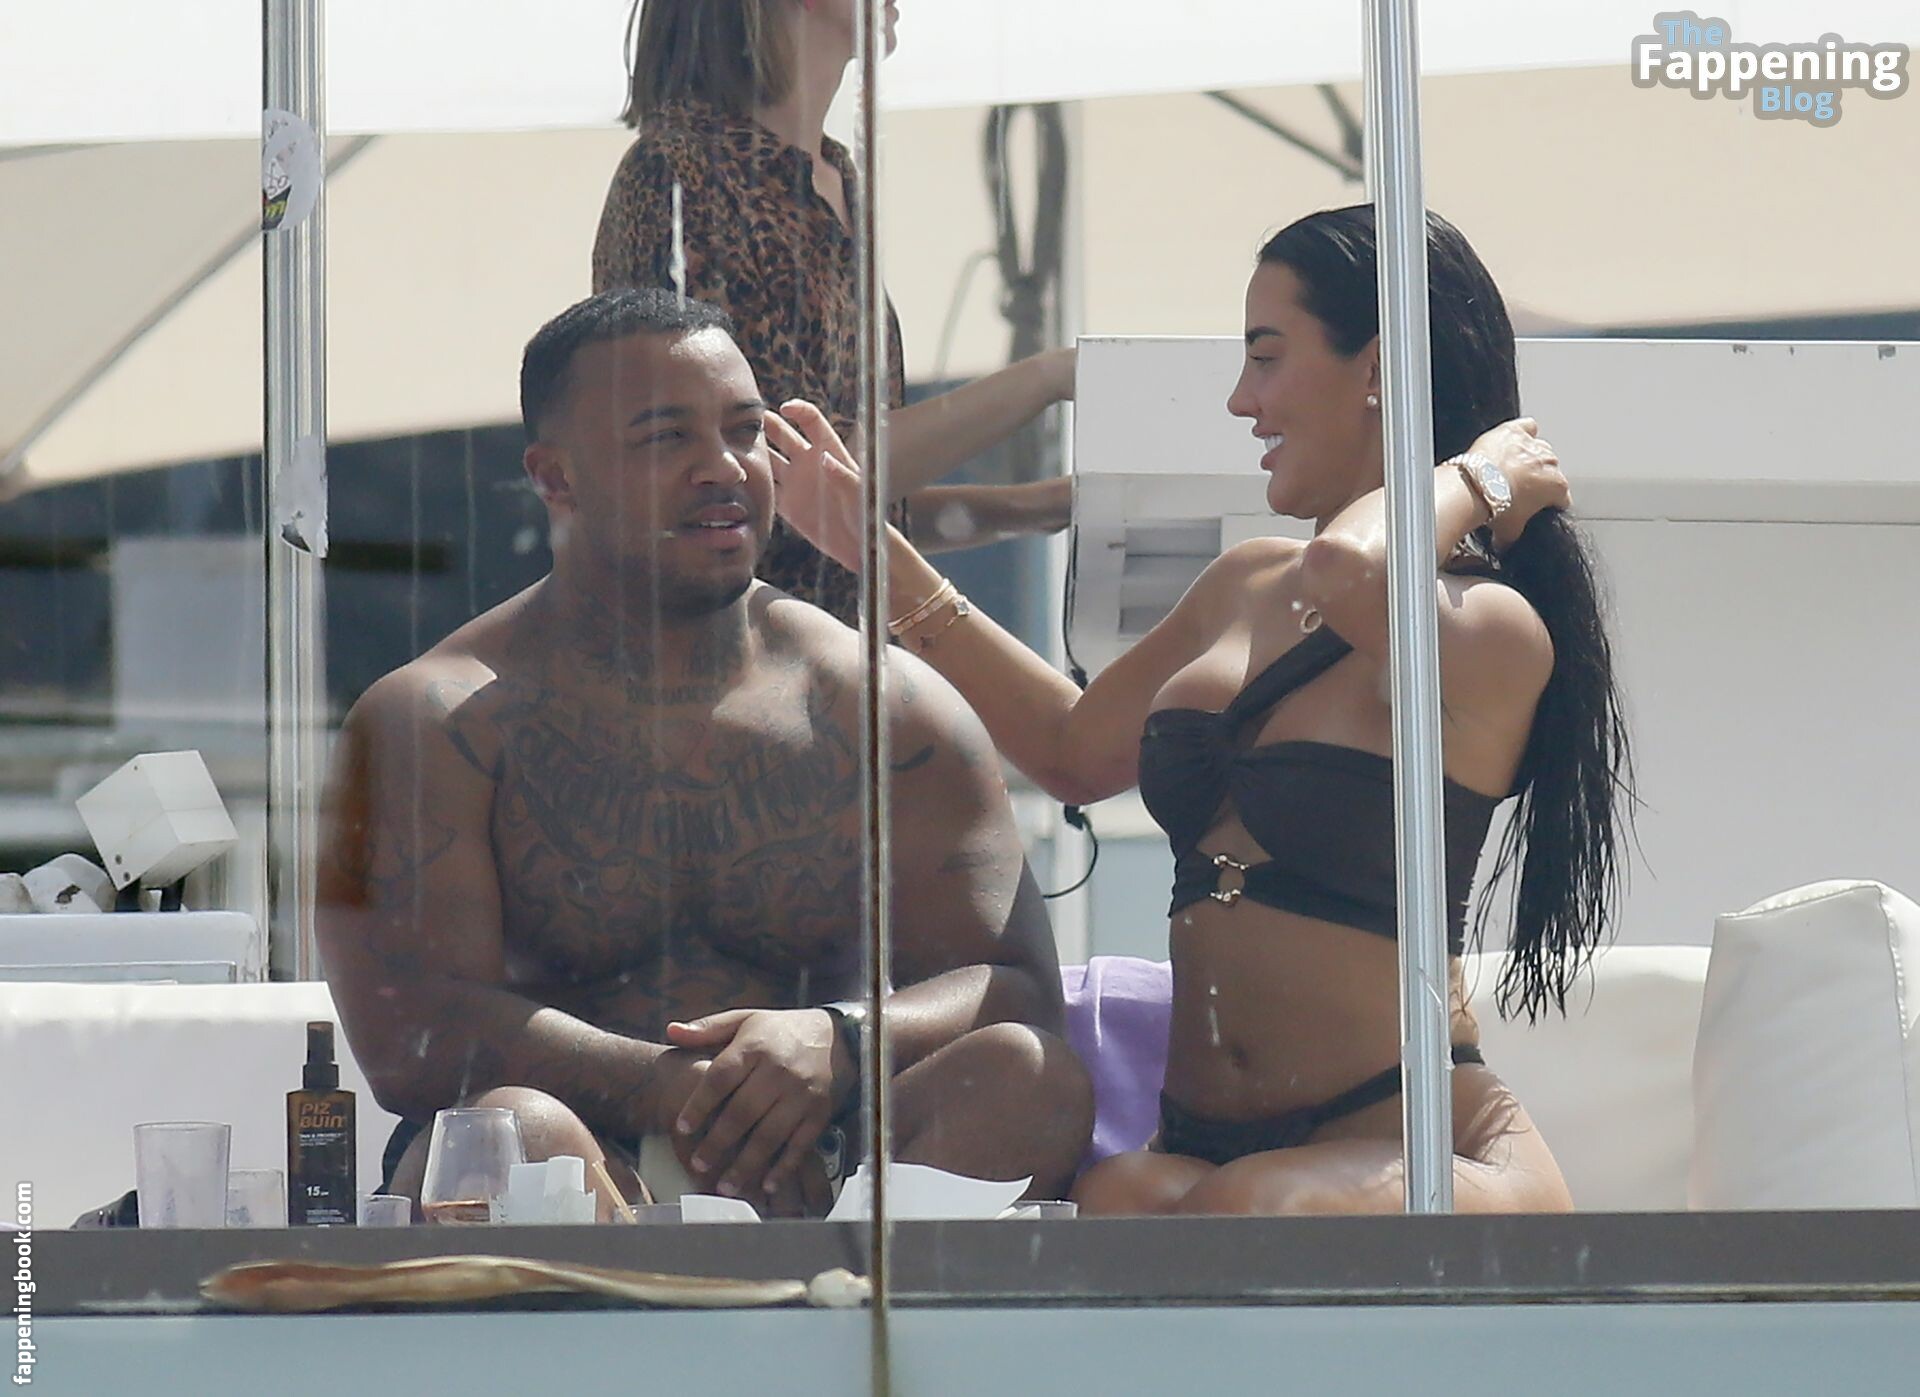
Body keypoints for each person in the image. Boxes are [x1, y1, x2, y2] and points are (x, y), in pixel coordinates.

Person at [770, 205, 1635, 1215]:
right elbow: (1069, 748)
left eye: (1265, 358)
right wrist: (868, 549)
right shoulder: (1244, 585)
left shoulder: (1487, 628)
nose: (1240, 399)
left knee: (1245, 1213)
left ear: (1376, 370)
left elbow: (1352, 574)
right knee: (1120, 1196)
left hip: (1416, 1142)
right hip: (1204, 1152)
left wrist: (1479, 477)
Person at [315, 288, 1092, 1218]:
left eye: (745, 430)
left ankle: (844, 1311)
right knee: (511, 1134)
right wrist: (674, 1087)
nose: (723, 467)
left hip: (830, 1168)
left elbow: (1020, 993)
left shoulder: (882, 705)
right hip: (580, 1171)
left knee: (1028, 1078)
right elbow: (411, 1036)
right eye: (665, 437)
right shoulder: (432, 719)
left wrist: (841, 1039)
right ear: (556, 477)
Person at [593, 0, 1075, 624]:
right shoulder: (679, 177)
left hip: (835, 657)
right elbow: (791, 473)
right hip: (741, 661)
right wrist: (1050, 377)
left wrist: (1047, 506)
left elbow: (840, 507)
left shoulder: (833, 175)